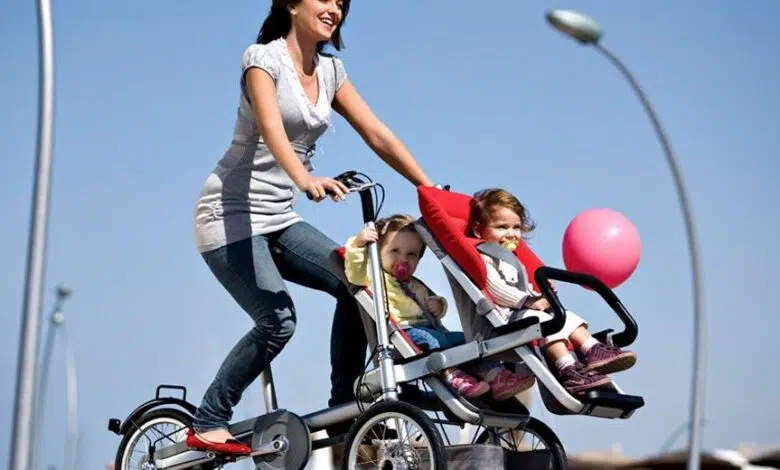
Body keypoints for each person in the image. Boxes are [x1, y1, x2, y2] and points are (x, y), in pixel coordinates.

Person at [188, 0, 435, 455]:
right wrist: (304, 180)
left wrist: (428, 187)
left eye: (341, 3)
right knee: (278, 321)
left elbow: (376, 132)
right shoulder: (262, 60)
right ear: (291, 3)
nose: (334, 8)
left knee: (356, 284)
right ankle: (209, 419)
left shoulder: (331, 72)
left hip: (279, 218)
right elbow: (271, 128)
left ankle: (347, 405)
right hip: (229, 216)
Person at [343, 214, 536, 401]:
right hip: (403, 334)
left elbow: (434, 302)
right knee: (431, 341)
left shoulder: (415, 284)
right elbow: (354, 273)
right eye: (395, 251)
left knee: (469, 341)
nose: (403, 259)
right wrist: (358, 245)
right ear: (378, 253)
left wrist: (439, 305)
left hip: (432, 330)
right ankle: (454, 377)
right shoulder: (374, 278)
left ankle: (495, 376)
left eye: (412, 255)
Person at [467, 188, 638, 395]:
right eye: (501, 227)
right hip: (503, 321)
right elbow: (495, 288)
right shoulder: (486, 256)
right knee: (544, 323)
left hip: (521, 313)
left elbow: (517, 286)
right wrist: (528, 300)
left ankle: (592, 349)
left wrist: (539, 293)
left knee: (567, 317)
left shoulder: (511, 260)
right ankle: (567, 368)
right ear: (478, 230)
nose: (511, 234)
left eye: (516, 227)